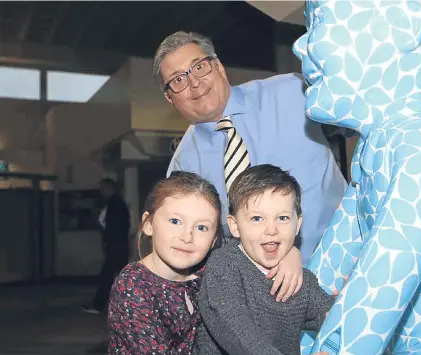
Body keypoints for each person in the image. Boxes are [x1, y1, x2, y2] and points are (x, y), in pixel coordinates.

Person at [152, 32, 348, 294]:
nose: (195, 83)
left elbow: (359, 121)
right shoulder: (184, 167)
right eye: (178, 80)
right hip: (268, 304)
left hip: (351, 263)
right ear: (169, 98)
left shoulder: (292, 92)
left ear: (218, 66)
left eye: (199, 67)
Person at [197, 164, 335, 355]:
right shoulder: (223, 266)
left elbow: (333, 317)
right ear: (235, 226)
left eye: (283, 218)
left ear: (298, 225)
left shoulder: (302, 280)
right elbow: (237, 330)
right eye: (257, 219)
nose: (271, 229)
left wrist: (349, 299)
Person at [108, 171, 223, 354]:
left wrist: (286, 256)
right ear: (148, 224)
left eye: (201, 227)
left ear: (214, 239)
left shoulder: (209, 275)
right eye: (175, 221)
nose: (187, 236)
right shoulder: (133, 285)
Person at [82, 178, 130, 315]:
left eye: (103, 189)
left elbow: (111, 226)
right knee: (115, 275)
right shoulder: (117, 203)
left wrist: (108, 241)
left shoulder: (114, 204)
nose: (101, 192)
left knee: (109, 275)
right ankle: (122, 305)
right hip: (118, 244)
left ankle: (100, 304)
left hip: (116, 245)